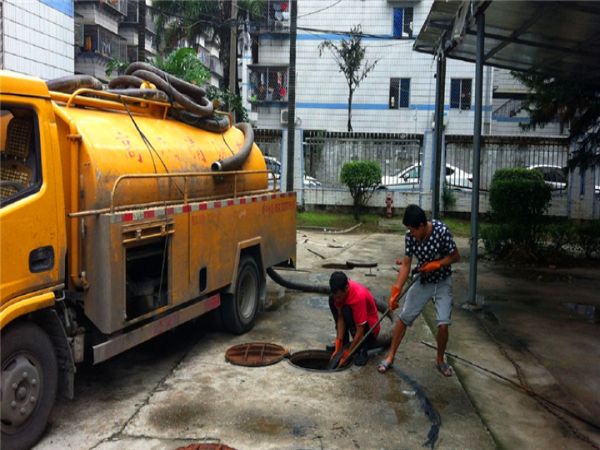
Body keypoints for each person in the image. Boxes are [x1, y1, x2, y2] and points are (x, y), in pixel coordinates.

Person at [377, 204, 460, 377]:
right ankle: (390, 356)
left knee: (443, 324)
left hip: (442, 281)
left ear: (422, 226)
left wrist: (437, 264)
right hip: (423, 281)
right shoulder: (410, 237)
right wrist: (396, 291)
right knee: (403, 318)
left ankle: (440, 360)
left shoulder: (441, 232)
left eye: (413, 230)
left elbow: (455, 256)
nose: (411, 234)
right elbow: (406, 264)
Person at [328, 271, 380, 367]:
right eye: (336, 296)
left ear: (346, 288)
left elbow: (360, 331)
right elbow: (340, 318)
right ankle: (344, 343)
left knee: (347, 310)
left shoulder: (358, 296)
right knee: (332, 301)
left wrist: (348, 354)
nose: (337, 299)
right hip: (355, 323)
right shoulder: (337, 296)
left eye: (339, 297)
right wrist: (338, 345)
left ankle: (362, 350)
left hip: (369, 330)